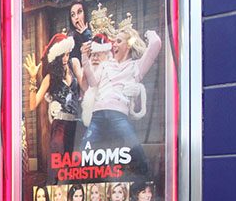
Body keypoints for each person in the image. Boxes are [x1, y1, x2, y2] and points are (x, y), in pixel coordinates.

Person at [81, 19, 161, 177]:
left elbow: (156, 44)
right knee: (85, 150)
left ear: (128, 45)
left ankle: (146, 183)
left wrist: (148, 34)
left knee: (135, 149)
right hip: (98, 115)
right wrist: (84, 57)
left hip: (118, 115)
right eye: (114, 41)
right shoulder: (105, 65)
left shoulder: (135, 67)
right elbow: (92, 82)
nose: (114, 44)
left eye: (118, 41)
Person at [24, 33, 84, 167]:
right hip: (60, 126)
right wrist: (33, 78)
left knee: (77, 166)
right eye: (62, 55)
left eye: (67, 54)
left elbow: (84, 85)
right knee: (59, 164)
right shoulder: (51, 77)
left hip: (76, 123)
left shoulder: (73, 65)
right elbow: (33, 105)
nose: (65, 58)